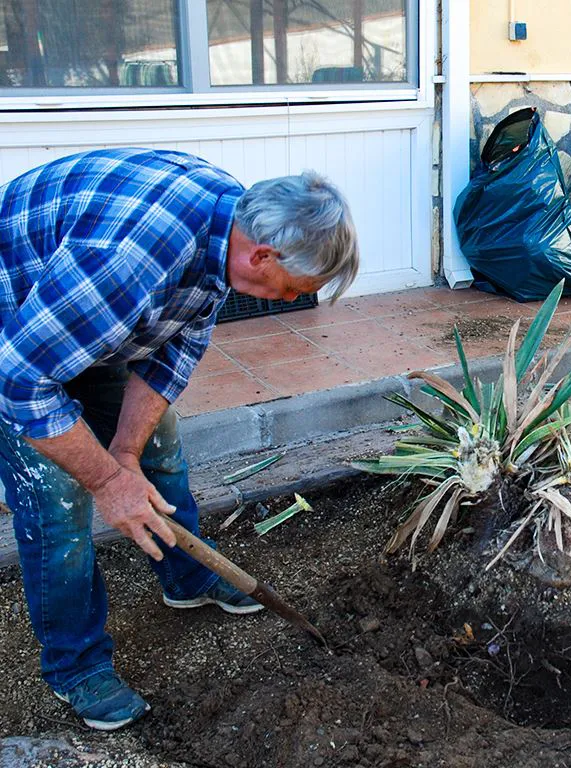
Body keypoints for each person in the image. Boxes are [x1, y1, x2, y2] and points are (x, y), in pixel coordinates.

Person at [0, 148, 359, 731]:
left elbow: (174, 352)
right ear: (261, 254)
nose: (294, 302)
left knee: (154, 449)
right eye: (294, 288)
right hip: (19, 327)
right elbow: (21, 383)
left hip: (86, 315)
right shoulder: (127, 261)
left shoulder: (229, 224)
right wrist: (109, 481)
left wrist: (124, 454)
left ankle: (188, 578)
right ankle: (76, 666)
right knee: (58, 503)